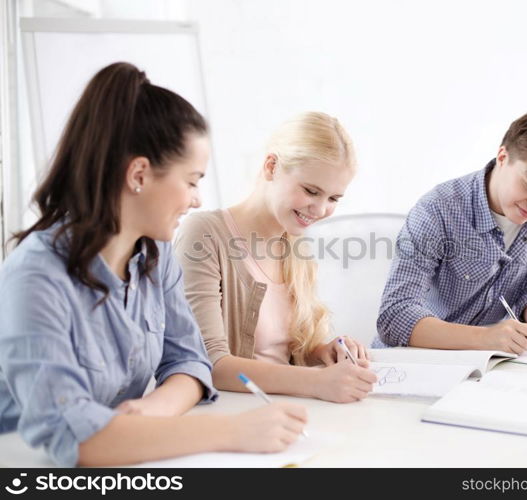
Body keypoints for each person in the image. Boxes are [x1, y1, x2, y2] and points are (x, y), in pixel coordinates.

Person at [0, 62, 306, 467]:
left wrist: (148, 414)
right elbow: (73, 438)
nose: (197, 199)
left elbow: (189, 362)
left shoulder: (155, 260)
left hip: (123, 455)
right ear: (139, 174)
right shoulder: (35, 277)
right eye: (192, 180)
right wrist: (233, 432)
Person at [374, 107, 527, 355]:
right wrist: (486, 338)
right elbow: (395, 316)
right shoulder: (437, 209)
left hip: (490, 365)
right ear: (502, 157)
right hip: (414, 363)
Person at [174, 112, 377, 403]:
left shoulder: (295, 244)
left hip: (285, 412)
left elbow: (280, 353)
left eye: (333, 199)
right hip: (232, 416)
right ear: (271, 166)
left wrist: (320, 353)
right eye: (311, 190)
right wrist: (317, 381)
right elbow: (211, 364)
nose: (319, 210)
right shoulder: (204, 234)